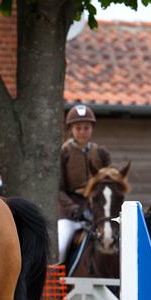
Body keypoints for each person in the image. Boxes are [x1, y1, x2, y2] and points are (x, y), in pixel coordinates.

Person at [58, 103, 111, 262]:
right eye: (78, 128)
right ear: (71, 129)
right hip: (71, 213)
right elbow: (58, 189)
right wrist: (73, 209)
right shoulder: (64, 152)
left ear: (92, 128)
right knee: (61, 246)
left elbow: (109, 184)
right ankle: (56, 282)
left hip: (97, 211)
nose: (82, 132)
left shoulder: (101, 153)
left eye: (86, 127)